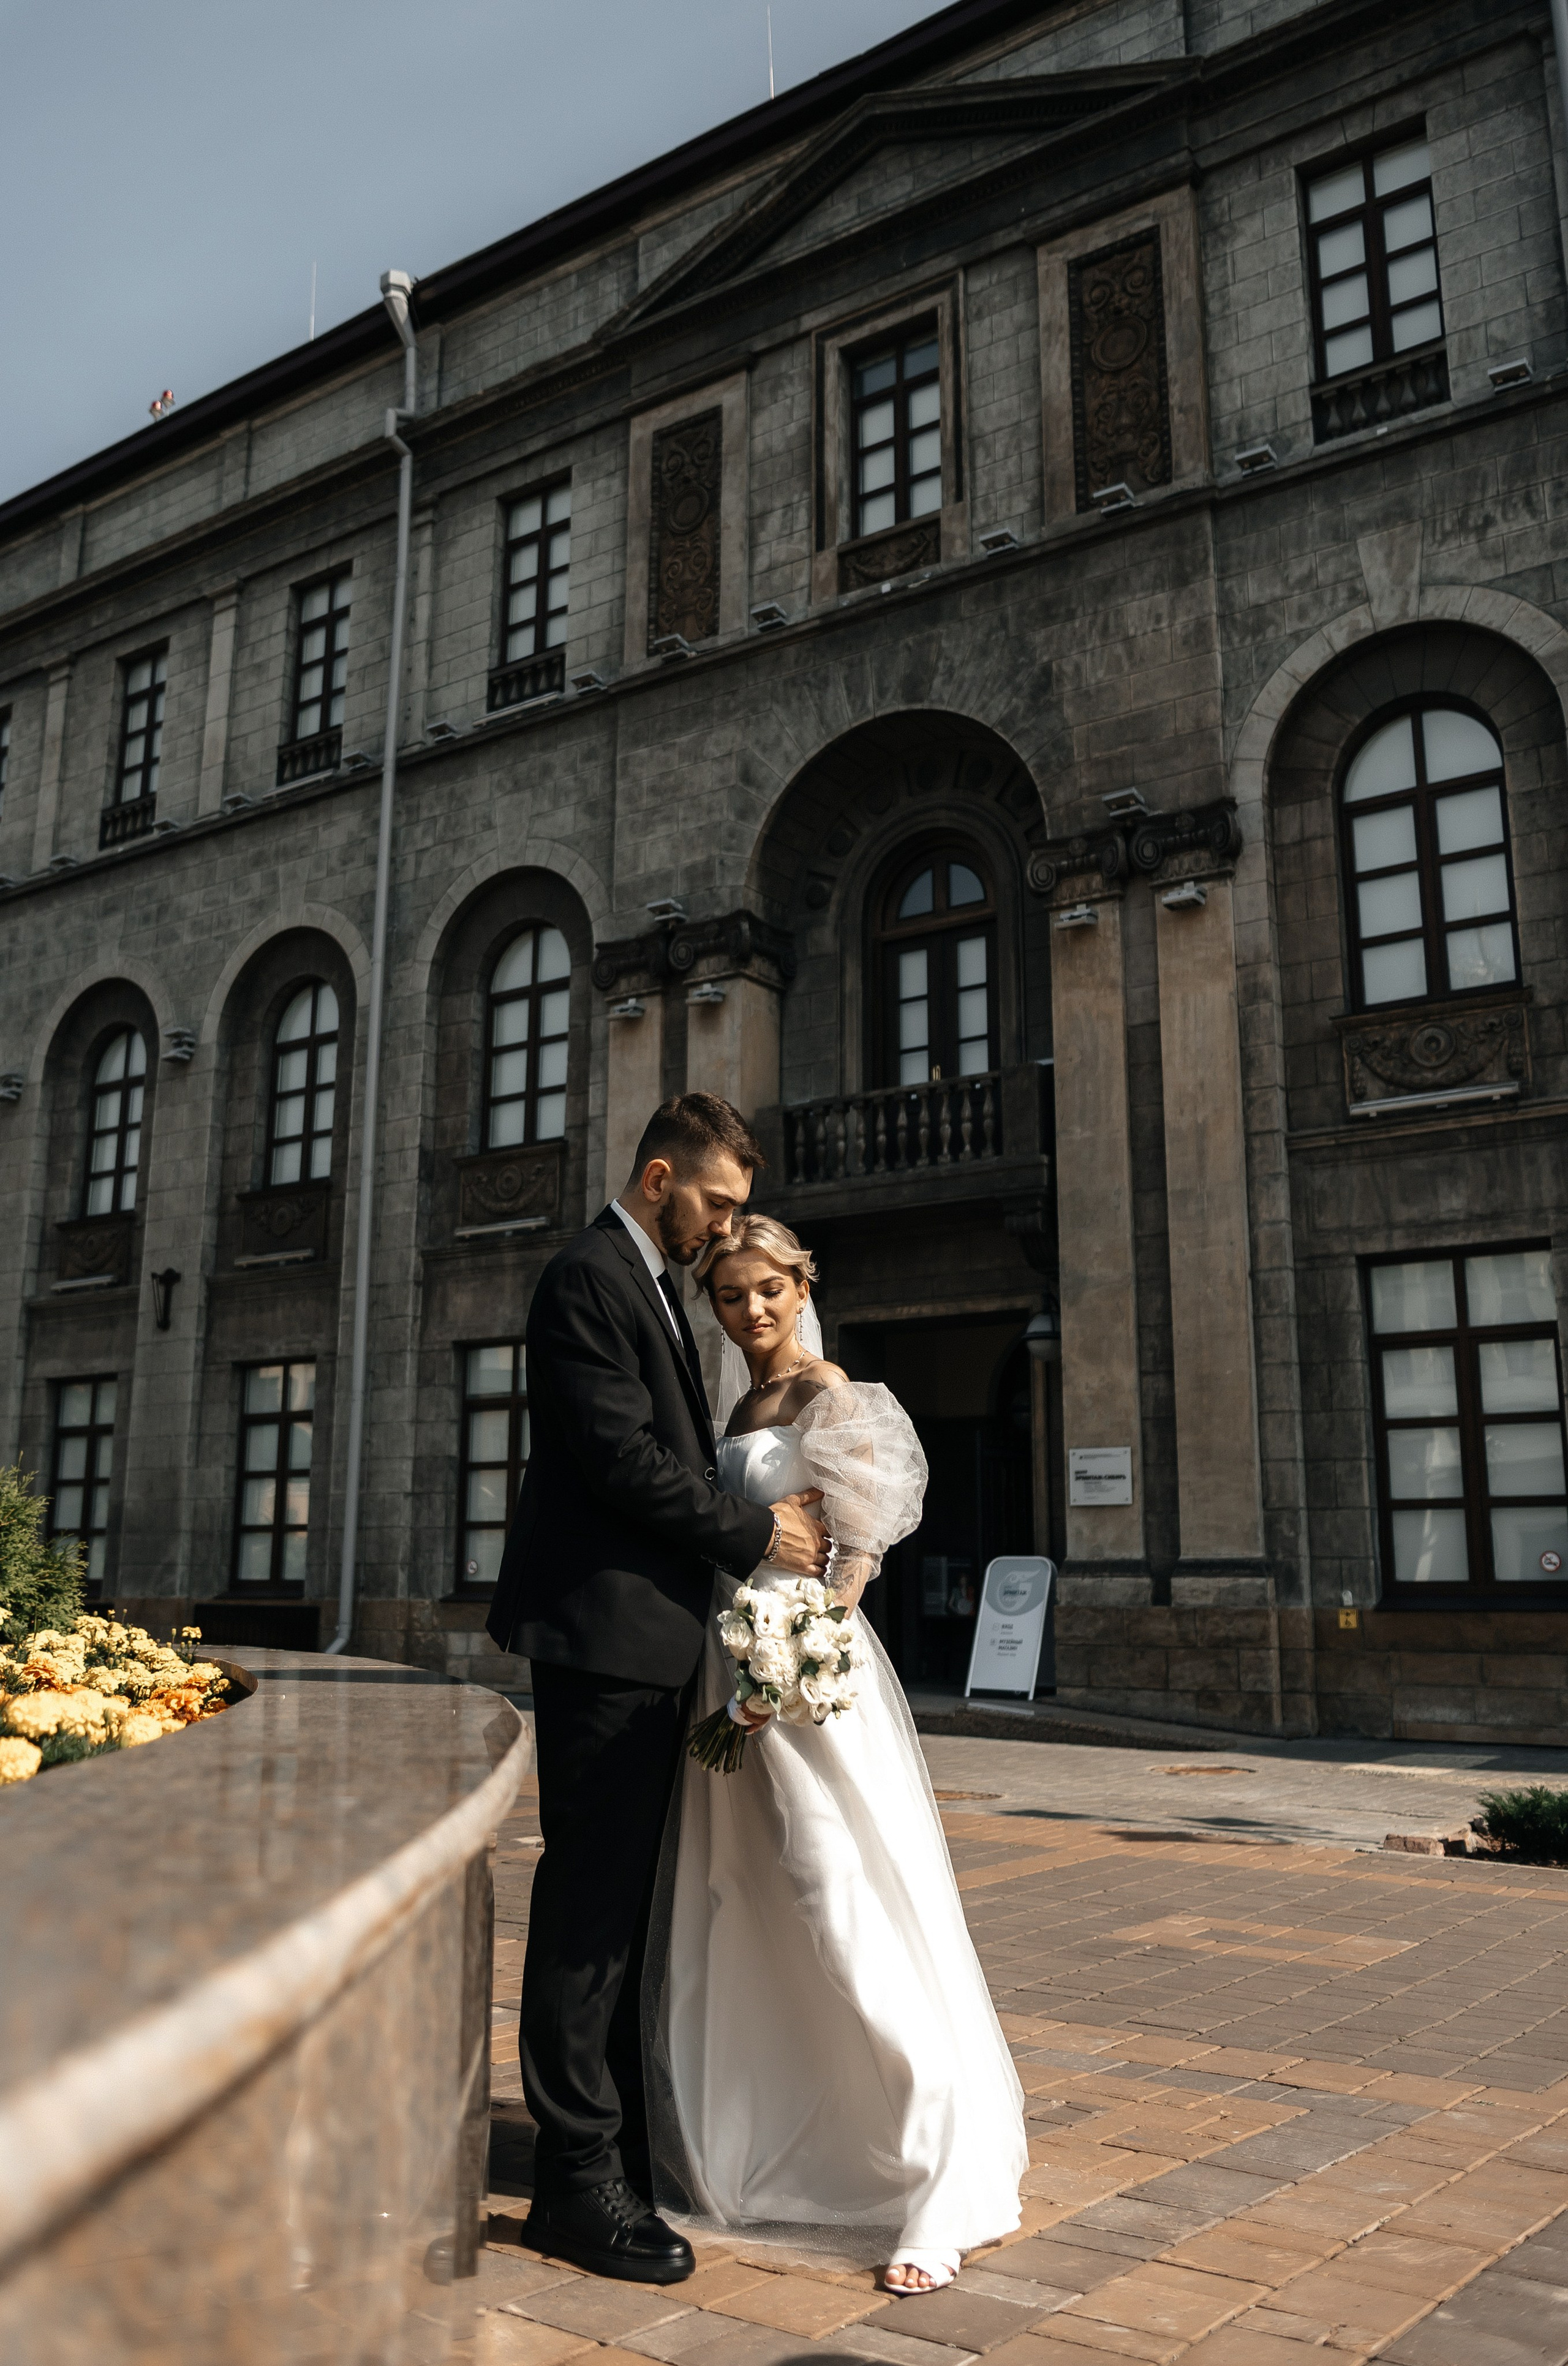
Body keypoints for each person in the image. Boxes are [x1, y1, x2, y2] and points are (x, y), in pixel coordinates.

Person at [644, 1214, 1027, 2294]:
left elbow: (859, 1548)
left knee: (838, 1892)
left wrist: (803, 1647)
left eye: (767, 1289)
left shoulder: (827, 1389)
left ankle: (936, 2178)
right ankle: (778, 2141)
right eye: (729, 1295)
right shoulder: (740, 1404)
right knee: (741, 1897)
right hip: (734, 1670)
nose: (751, 1310)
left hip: (804, 1680)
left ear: (800, 1284)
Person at [486, 1097, 829, 2285]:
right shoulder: (587, 1277)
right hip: (601, 1640)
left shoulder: (649, 1287)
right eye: (717, 1202)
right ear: (657, 1175)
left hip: (650, 1643)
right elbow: (620, 1457)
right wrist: (754, 1533)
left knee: (626, 1910)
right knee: (588, 1911)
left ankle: (614, 2148)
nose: (725, 1226)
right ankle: (575, 2187)